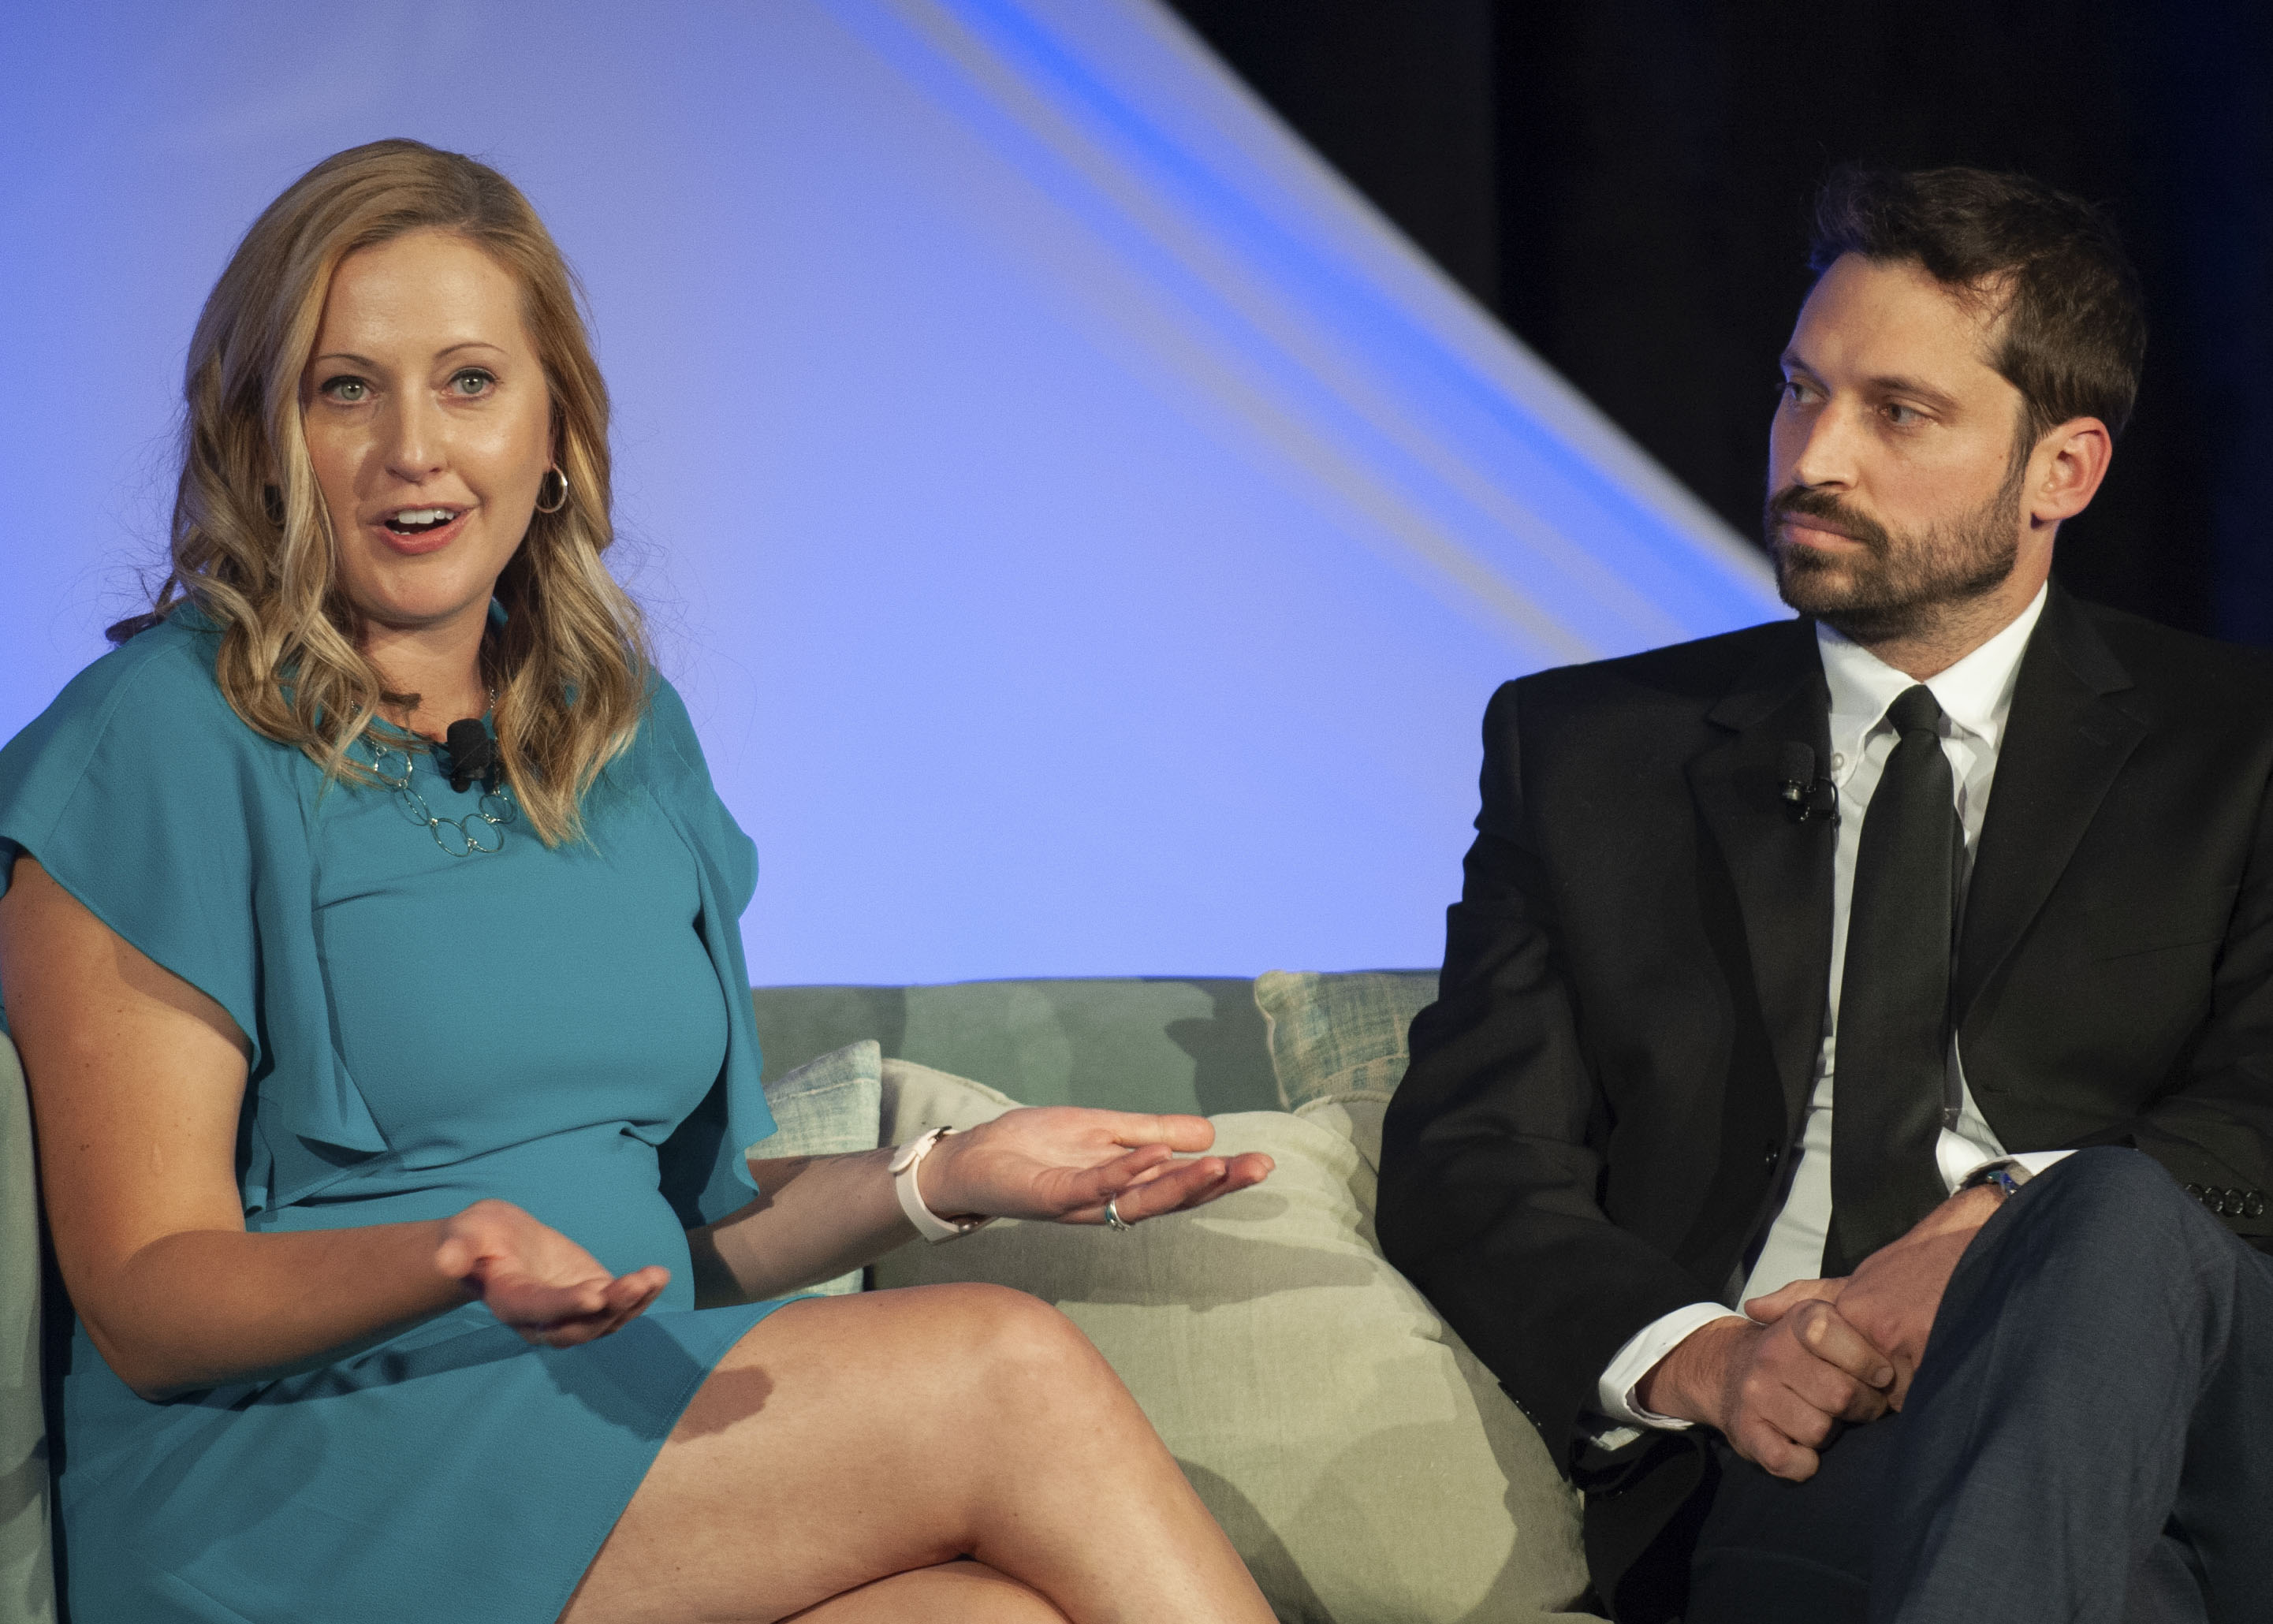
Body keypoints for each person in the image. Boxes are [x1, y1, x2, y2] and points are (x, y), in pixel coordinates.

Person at [0, 138, 1281, 1624]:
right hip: (298, 1485)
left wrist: (943, 1181)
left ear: (554, 429)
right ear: (261, 435)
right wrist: (440, 1254)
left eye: (469, 382)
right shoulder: (159, 737)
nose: (413, 447)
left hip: (599, 1426)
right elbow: (149, 1293)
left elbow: (675, 1237)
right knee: (1003, 1368)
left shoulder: (616, 730)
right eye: (344, 388)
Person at [1377, 165, 2273, 1623]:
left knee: (2108, 1211)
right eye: (1802, 392)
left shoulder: (2238, 747)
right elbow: (1472, 1156)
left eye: (1898, 412)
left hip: (2205, 1417)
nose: (1815, 457)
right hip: (1811, 1450)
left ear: (2063, 471)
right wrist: (1711, 1358)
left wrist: (1999, 1229)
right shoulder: (1588, 752)